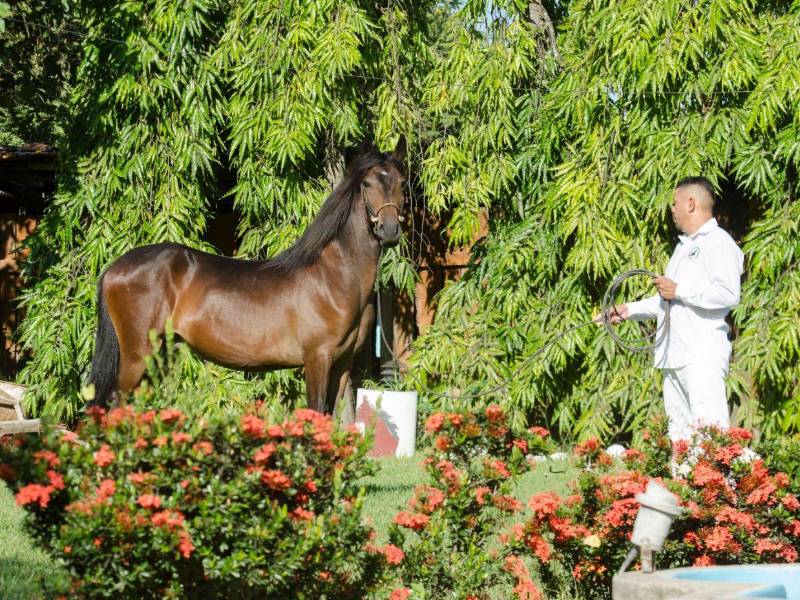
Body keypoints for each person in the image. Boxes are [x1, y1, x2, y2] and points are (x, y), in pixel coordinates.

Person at [597, 177, 744, 442]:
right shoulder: (683, 247)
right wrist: (628, 310)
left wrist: (679, 290)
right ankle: (681, 483)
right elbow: (668, 301)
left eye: (674, 203)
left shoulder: (719, 243)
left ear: (691, 203)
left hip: (702, 356)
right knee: (680, 436)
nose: (672, 210)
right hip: (674, 356)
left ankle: (716, 484)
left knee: (709, 435)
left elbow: (728, 294)